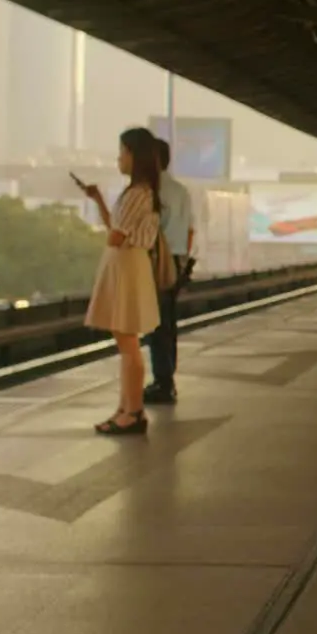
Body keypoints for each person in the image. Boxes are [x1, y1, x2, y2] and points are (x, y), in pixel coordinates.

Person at [82, 127, 163, 435]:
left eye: (122, 152)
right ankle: (125, 408)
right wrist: (100, 200)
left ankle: (133, 411)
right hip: (128, 266)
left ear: (134, 155)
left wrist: (110, 219)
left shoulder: (137, 193)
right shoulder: (141, 192)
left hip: (126, 267)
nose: (119, 158)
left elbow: (116, 235)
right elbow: (116, 228)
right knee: (126, 341)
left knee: (128, 343)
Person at [145, 138, 194, 405]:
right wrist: (182, 262)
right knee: (168, 322)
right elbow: (190, 229)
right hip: (177, 261)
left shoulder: (152, 189)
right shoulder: (181, 190)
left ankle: (163, 381)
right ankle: (167, 378)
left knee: (156, 323)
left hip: (157, 262)